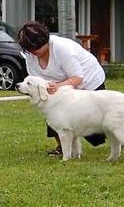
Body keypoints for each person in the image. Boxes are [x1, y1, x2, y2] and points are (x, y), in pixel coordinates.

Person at [16, 21, 107, 156]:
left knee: (95, 133)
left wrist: (57, 86)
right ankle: (63, 147)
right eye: (29, 50)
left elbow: (77, 78)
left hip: (88, 82)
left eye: (35, 48)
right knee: (53, 112)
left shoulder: (62, 49)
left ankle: (117, 135)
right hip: (57, 88)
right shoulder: (30, 55)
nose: (32, 53)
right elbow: (36, 80)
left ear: (45, 41)